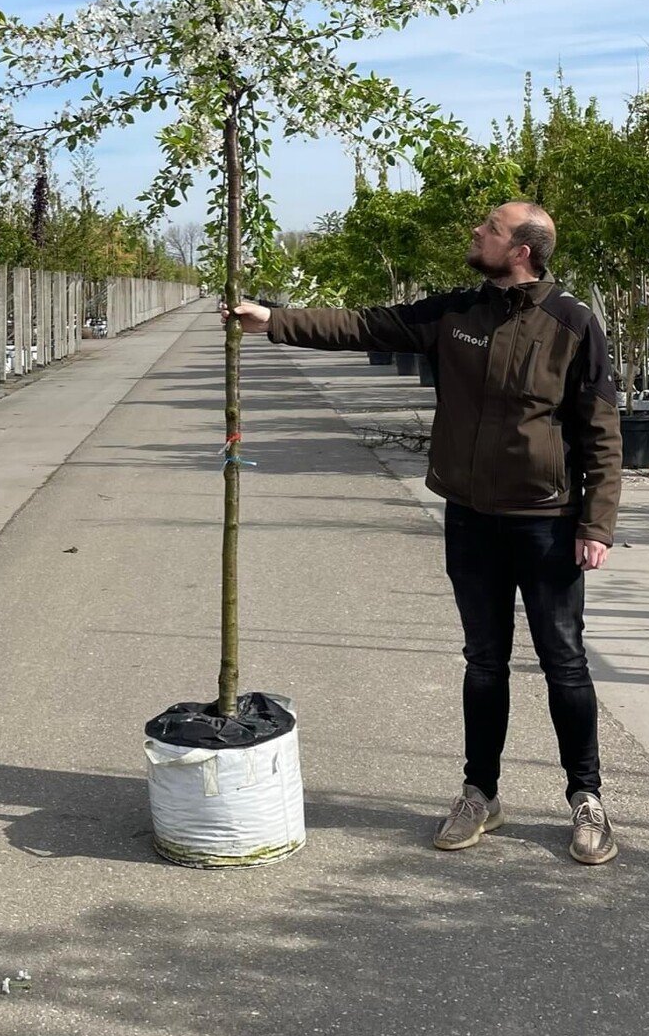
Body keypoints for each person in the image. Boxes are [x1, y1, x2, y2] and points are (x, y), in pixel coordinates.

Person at [226, 201, 623, 866]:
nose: (476, 232)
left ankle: (586, 798)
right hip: (470, 518)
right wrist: (274, 320)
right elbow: (361, 324)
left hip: (546, 524)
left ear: (522, 249)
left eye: (490, 229)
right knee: (484, 660)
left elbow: (602, 431)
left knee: (564, 661)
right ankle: (480, 792)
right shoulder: (454, 315)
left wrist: (597, 523)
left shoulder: (574, 325)